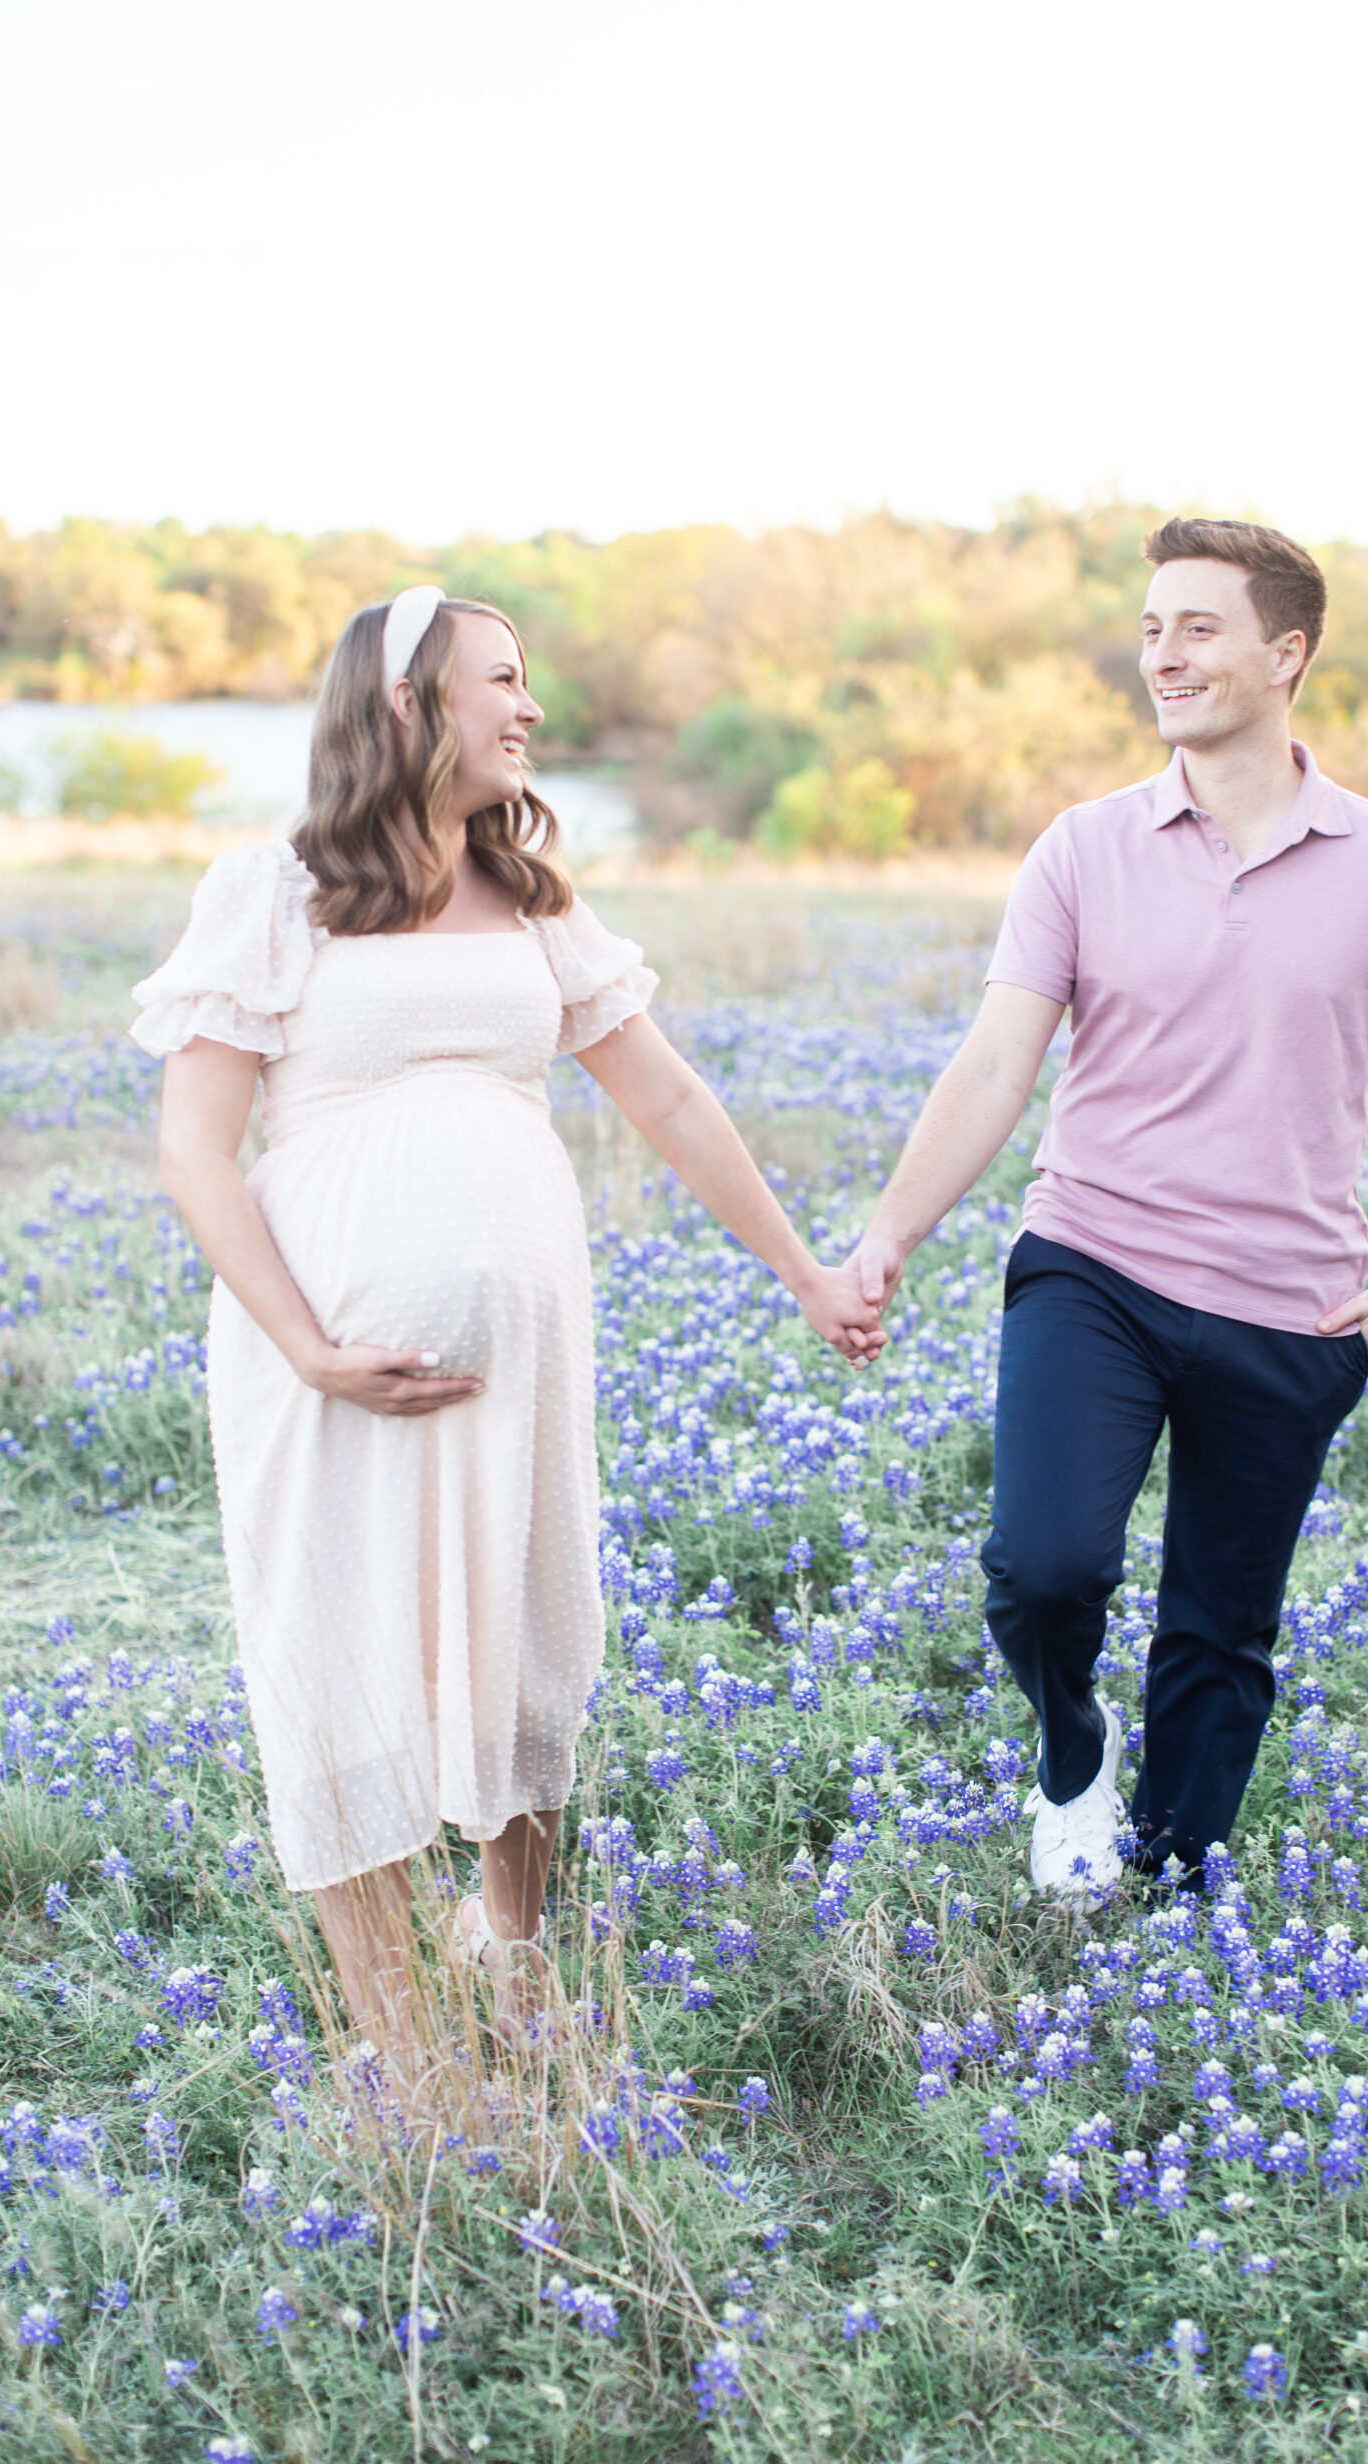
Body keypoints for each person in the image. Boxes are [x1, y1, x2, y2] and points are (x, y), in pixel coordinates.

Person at [131, 587, 883, 2086]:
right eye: (504, 681)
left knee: (522, 1637)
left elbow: (666, 1098)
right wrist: (306, 1343)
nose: (529, 710)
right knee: (341, 1653)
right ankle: (407, 2055)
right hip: (326, 1373)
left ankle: (516, 1953)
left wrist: (803, 1268)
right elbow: (197, 1151)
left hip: (515, 1368)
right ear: (410, 703)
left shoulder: (535, 898)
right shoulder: (271, 891)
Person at [853, 518, 1368, 1898]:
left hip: (1292, 1302)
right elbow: (996, 1063)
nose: (1163, 654)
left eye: (1196, 627)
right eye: (1151, 629)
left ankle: (1172, 1883)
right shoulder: (1083, 850)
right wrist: (888, 1235)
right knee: (1044, 1566)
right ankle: (1069, 1757)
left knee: (1220, 1629)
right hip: (1097, 1263)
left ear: (1287, 652)